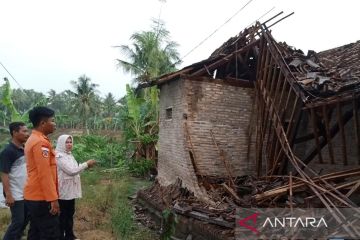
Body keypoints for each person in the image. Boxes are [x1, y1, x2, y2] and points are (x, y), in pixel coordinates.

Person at [24, 106, 60, 240]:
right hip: (41, 197)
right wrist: (53, 199)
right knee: (51, 233)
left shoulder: (34, 139)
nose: (55, 123)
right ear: (43, 123)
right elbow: (44, 173)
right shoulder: (40, 143)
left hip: (34, 196)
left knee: (36, 232)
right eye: (52, 120)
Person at [55, 134, 95, 240]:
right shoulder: (59, 156)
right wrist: (86, 164)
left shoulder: (69, 155)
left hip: (70, 191)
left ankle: (69, 235)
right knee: (63, 216)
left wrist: (83, 166)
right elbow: (72, 171)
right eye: (66, 142)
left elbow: (75, 168)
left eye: (70, 142)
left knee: (70, 213)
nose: (69, 144)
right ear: (61, 144)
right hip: (63, 192)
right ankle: (61, 236)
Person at [0, 122, 29, 240]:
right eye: (24, 131)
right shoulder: (8, 151)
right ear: (15, 133)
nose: (27, 134)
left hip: (26, 192)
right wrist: (8, 195)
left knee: (26, 219)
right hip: (15, 193)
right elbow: (4, 174)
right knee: (18, 222)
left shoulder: (24, 149)